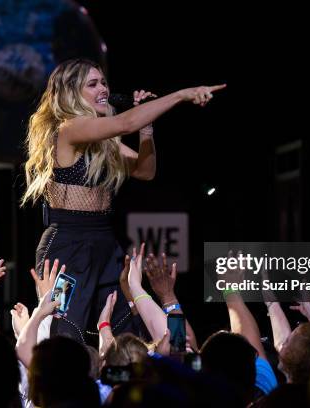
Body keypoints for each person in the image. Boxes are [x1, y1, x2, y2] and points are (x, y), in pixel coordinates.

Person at [21, 58, 226, 343]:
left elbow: (145, 171)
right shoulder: (67, 129)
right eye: (92, 84)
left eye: (104, 82)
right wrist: (181, 95)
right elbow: (126, 122)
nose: (103, 88)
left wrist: (147, 127)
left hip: (105, 243)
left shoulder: (106, 140)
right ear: (70, 93)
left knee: (129, 333)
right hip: (68, 247)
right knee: (63, 333)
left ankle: (126, 384)